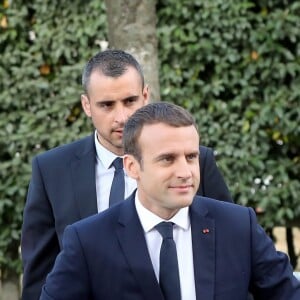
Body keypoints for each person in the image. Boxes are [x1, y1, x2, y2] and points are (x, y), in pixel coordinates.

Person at [21, 50, 232, 300]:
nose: (121, 117)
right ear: (86, 105)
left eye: (130, 101)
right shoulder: (51, 170)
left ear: (145, 96)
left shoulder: (195, 161)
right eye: (107, 105)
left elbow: (230, 251)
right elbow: (40, 276)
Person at [39, 102, 300, 300]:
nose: (185, 172)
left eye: (191, 157)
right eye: (167, 159)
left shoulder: (238, 226)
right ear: (132, 167)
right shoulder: (88, 241)